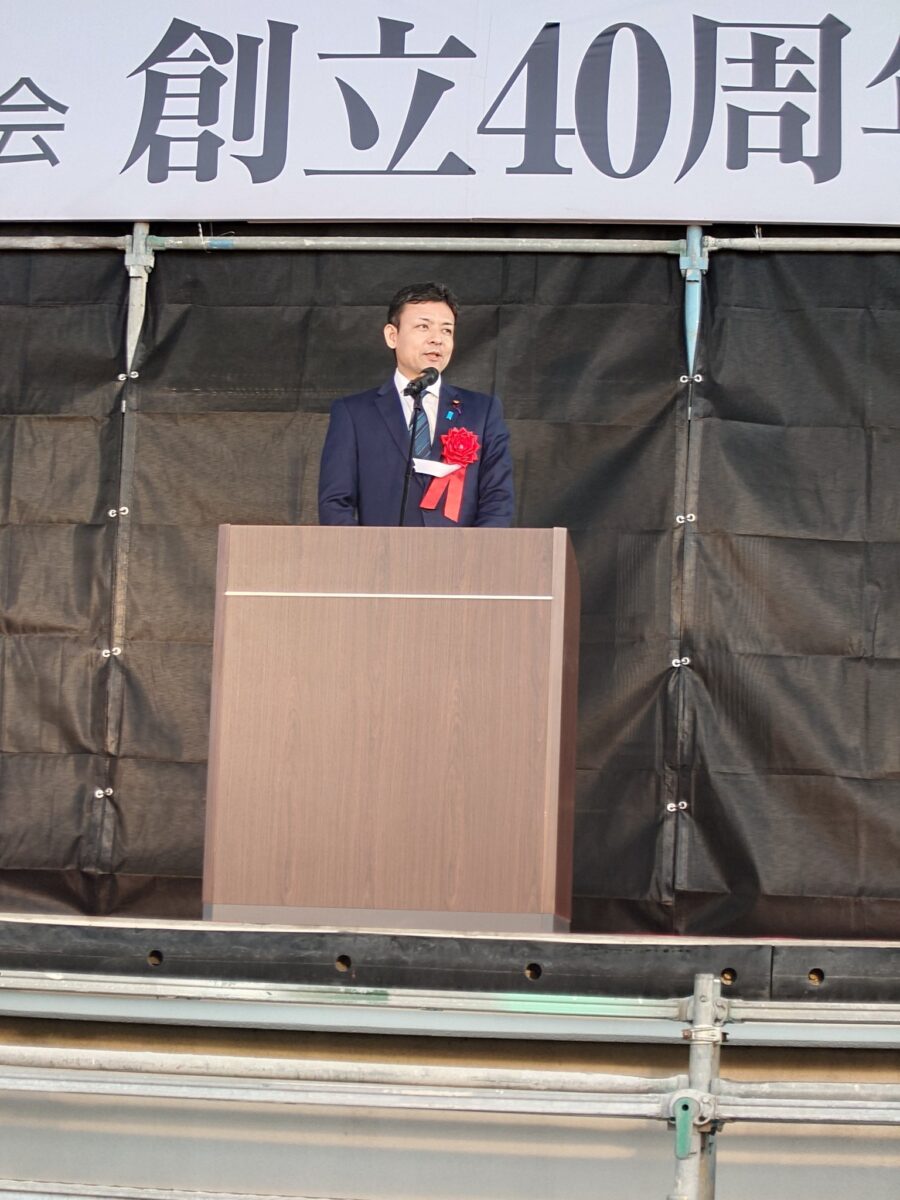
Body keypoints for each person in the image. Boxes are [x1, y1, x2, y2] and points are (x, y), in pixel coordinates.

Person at [318, 282, 514, 526]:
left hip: (461, 550)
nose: (437, 339)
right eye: (423, 326)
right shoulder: (353, 413)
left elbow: (498, 500)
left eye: (447, 330)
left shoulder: (482, 411)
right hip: (380, 550)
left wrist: (475, 550)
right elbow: (335, 504)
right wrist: (367, 551)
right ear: (392, 336)